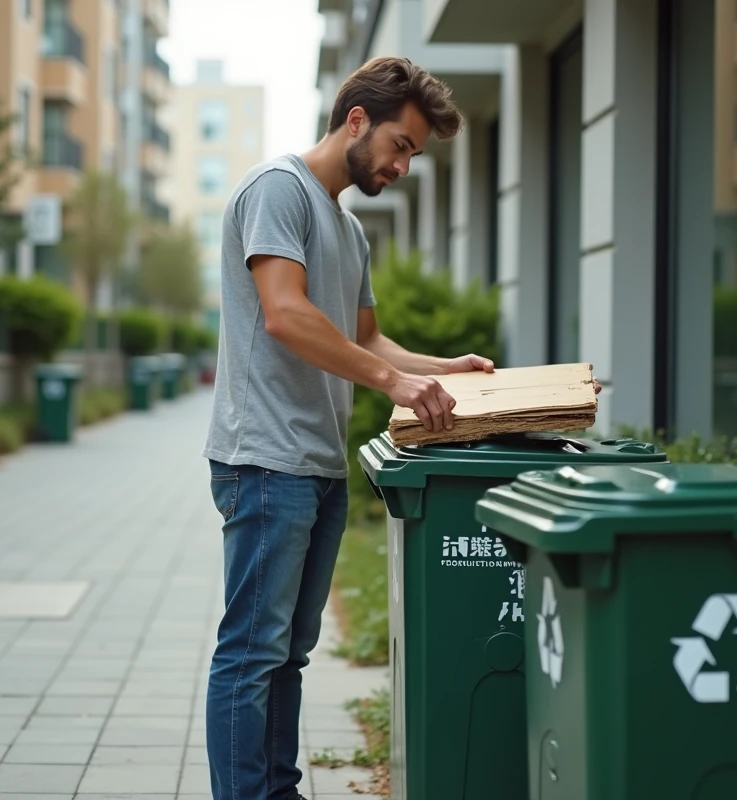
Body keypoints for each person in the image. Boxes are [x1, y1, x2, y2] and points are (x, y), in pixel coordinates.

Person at [201, 56, 547, 800]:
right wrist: (393, 383)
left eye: (413, 155)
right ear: (356, 119)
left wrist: (443, 368)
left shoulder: (349, 230)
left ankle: (278, 790)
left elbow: (370, 340)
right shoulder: (278, 191)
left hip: (316, 463)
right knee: (251, 654)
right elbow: (286, 313)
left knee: (288, 653)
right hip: (264, 458)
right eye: (400, 145)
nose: (402, 164)